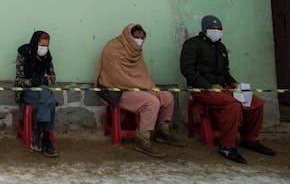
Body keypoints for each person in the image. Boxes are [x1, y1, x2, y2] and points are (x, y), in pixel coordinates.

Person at [180, 15, 276, 164]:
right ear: (205, 29)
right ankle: (227, 146)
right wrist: (209, 86)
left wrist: (233, 84)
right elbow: (187, 71)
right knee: (232, 105)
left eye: (219, 29)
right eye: (213, 29)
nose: (216, 31)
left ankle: (249, 140)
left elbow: (225, 71)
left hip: (223, 88)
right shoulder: (192, 44)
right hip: (202, 89)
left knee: (255, 102)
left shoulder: (221, 47)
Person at [96, 24, 185, 158]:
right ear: (128, 36)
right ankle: (142, 140)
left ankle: (162, 132)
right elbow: (118, 77)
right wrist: (146, 88)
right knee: (151, 102)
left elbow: (142, 74)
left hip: (137, 88)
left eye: (142, 38)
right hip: (117, 90)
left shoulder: (135, 51)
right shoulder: (112, 49)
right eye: (136, 37)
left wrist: (150, 87)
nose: (139, 40)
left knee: (167, 97)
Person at [15, 30, 59, 157]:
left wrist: (47, 80)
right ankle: (46, 139)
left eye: (46, 46)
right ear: (35, 43)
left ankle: (38, 133)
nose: (44, 49)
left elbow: (53, 77)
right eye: (42, 46)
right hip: (27, 91)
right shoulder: (24, 54)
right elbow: (19, 81)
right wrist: (35, 81)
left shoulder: (47, 57)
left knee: (47, 97)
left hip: (43, 92)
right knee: (49, 98)